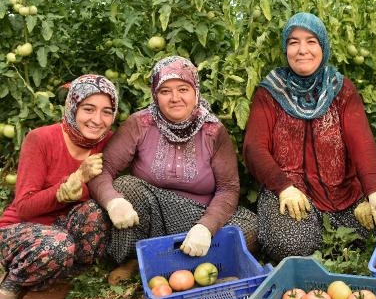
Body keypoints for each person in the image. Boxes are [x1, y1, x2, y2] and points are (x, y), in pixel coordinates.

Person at [243, 12, 376, 263]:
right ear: (285, 48)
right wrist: (283, 187)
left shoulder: (341, 89)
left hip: (343, 193)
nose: (302, 50)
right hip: (291, 193)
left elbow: (362, 143)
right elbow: (254, 148)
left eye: (311, 41)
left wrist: (374, 191)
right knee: (290, 243)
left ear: (323, 46)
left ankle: (325, 237)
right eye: (293, 42)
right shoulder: (270, 92)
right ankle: (317, 239)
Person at [89, 56, 258, 284]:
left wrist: (206, 228)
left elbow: (228, 188)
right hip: (151, 215)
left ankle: (172, 263)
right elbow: (103, 169)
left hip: (197, 215)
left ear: (195, 91)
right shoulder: (140, 124)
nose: (175, 98)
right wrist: (113, 201)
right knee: (125, 187)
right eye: (165, 91)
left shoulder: (213, 131)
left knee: (250, 227)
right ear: (155, 94)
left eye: (183, 89)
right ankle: (132, 260)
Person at [0, 74, 118, 299]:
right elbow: (24, 207)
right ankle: (15, 278)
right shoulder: (41, 139)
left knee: (96, 212)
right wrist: (67, 187)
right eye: (88, 109)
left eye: (107, 111)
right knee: (58, 245)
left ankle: (62, 272)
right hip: (21, 229)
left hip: (65, 229)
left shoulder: (107, 142)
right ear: (73, 107)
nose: (98, 120)